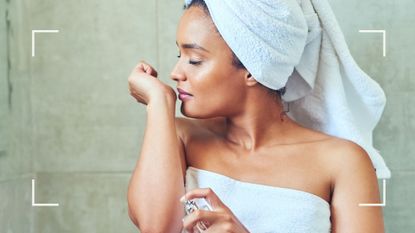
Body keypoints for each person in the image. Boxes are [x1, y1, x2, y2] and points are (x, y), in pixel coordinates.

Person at [127, 0, 385, 232]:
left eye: (194, 60)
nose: (175, 72)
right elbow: (155, 227)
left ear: (253, 69)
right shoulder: (179, 138)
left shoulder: (343, 162)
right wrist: (159, 103)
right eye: (179, 55)